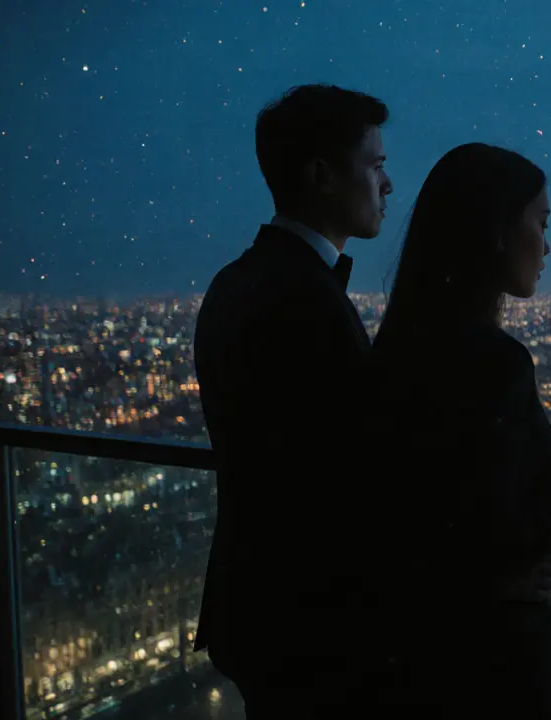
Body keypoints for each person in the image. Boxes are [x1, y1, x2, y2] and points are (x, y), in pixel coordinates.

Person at [366, 143, 551, 717]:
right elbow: (516, 527)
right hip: (495, 666)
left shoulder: (399, 348)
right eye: (541, 224)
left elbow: (418, 518)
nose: (547, 246)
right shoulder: (492, 362)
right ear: (498, 230)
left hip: (422, 665)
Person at [191, 84, 393, 716]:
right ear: (322, 177)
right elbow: (351, 480)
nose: (387, 185)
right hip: (316, 626)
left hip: (258, 608)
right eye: (375, 165)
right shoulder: (307, 302)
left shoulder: (235, 282)